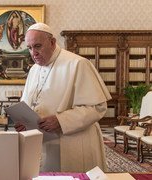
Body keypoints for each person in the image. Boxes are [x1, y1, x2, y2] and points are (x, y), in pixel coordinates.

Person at [15, 23, 112, 172]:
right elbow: (28, 103)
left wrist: (61, 120)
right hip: (41, 141)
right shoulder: (34, 69)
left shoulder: (78, 64)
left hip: (73, 142)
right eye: (29, 48)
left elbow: (97, 107)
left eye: (38, 46)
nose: (33, 53)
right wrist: (24, 121)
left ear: (52, 42)